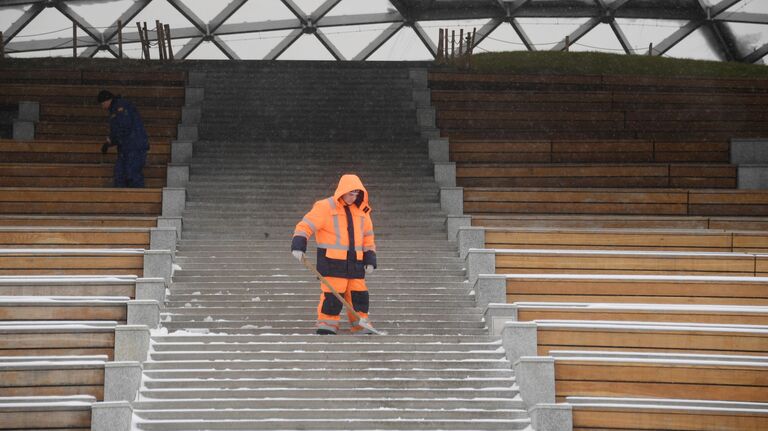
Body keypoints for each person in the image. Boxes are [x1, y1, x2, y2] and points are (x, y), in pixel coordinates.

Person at [291, 174, 378, 335]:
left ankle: (360, 324)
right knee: (332, 295)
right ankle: (327, 324)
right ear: (342, 191)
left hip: (356, 263)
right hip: (332, 261)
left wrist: (370, 258)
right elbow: (306, 225)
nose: (354, 197)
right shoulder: (325, 207)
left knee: (359, 295)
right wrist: (299, 244)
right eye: (351, 193)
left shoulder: (362, 211)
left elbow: (368, 237)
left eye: (357, 194)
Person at [97, 90, 149, 188]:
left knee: (131, 173)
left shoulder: (120, 107)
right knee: (120, 174)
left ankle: (136, 198)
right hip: (128, 146)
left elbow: (123, 127)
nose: (102, 107)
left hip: (133, 146)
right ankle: (126, 198)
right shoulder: (117, 108)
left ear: (107, 101)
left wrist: (111, 141)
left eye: (102, 104)